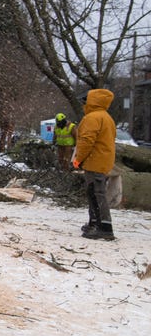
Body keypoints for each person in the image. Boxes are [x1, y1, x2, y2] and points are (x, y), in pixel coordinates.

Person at [73, 89, 117, 240]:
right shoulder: (106, 117)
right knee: (93, 193)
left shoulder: (92, 118)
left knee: (97, 194)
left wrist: (78, 158)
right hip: (101, 160)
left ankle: (105, 227)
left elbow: (86, 141)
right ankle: (94, 223)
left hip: (95, 161)